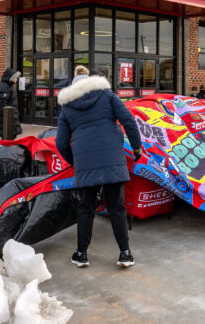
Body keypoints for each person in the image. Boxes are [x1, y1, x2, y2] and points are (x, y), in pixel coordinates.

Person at [55, 65, 143, 268]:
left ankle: (81, 254)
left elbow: (61, 143)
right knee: (117, 208)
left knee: (85, 208)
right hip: (112, 158)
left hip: (85, 163)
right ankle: (125, 253)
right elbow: (128, 121)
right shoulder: (107, 95)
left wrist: (76, 162)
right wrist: (137, 148)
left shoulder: (67, 107)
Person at [0, 68, 23, 138]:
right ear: (11, 77)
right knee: (8, 137)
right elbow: (2, 103)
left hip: (11, 115)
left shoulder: (9, 86)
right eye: (16, 77)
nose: (17, 79)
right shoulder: (4, 87)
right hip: (7, 117)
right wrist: (7, 117)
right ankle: (3, 149)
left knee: (11, 135)